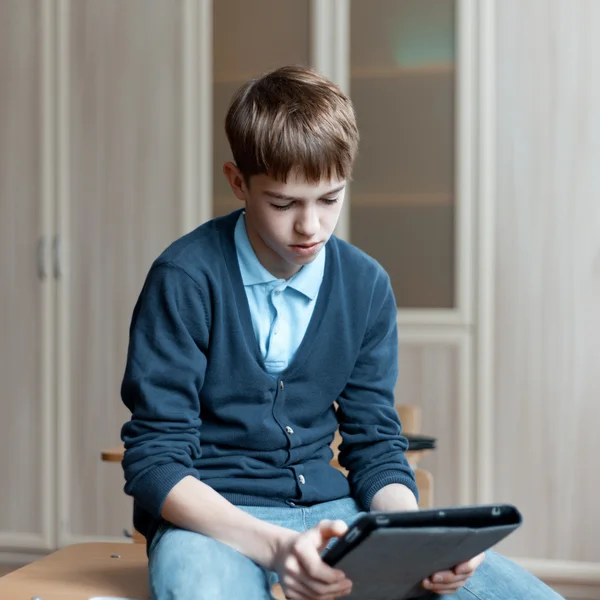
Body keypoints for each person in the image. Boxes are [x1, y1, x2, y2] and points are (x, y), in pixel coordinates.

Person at [120, 65, 562, 600]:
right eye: (284, 204)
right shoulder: (186, 278)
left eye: (330, 199)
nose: (311, 227)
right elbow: (155, 460)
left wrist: (416, 539)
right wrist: (278, 546)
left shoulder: (365, 285)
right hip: (214, 519)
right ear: (238, 182)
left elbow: (375, 444)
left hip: (333, 517)